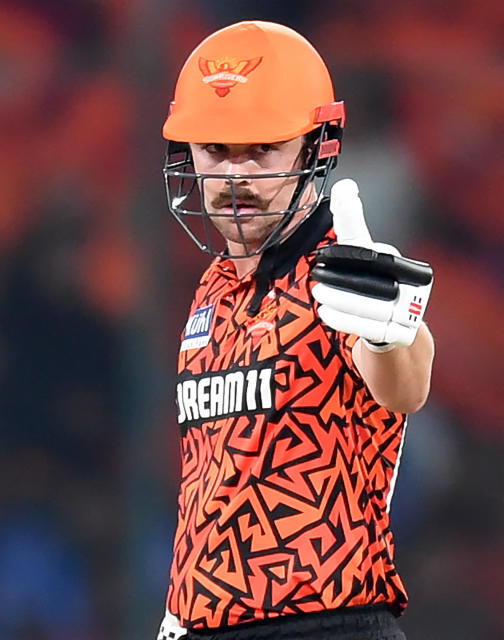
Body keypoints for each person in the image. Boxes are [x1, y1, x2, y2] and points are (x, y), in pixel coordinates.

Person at [156, 21, 435, 640]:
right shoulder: (212, 288)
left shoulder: (343, 271)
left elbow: (405, 387)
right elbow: (214, 473)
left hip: (328, 625)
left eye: (261, 150)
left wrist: (393, 335)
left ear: (316, 148)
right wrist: (179, 615)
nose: (234, 178)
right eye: (216, 151)